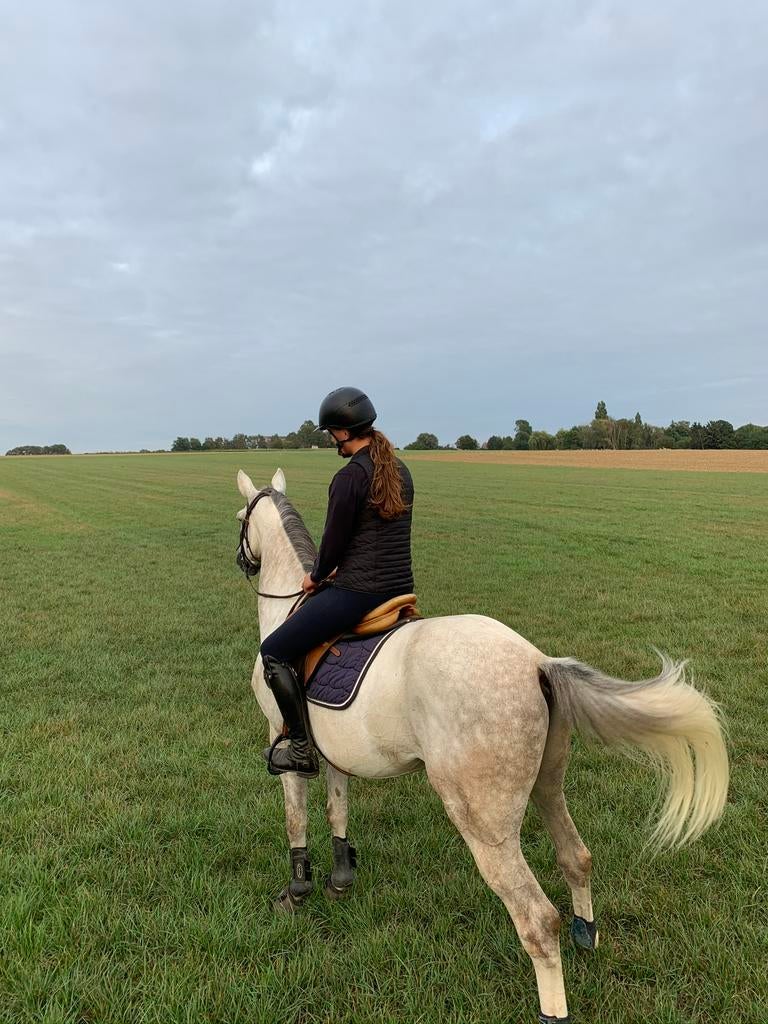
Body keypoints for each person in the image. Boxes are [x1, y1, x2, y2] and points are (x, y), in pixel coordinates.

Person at [259, 386, 415, 778]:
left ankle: (299, 748)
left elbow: (332, 544)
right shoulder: (400, 471)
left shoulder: (349, 477)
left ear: (344, 432)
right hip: (399, 589)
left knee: (274, 650)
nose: (332, 440)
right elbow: (375, 537)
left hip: (358, 593)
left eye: (332, 433)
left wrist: (316, 576)